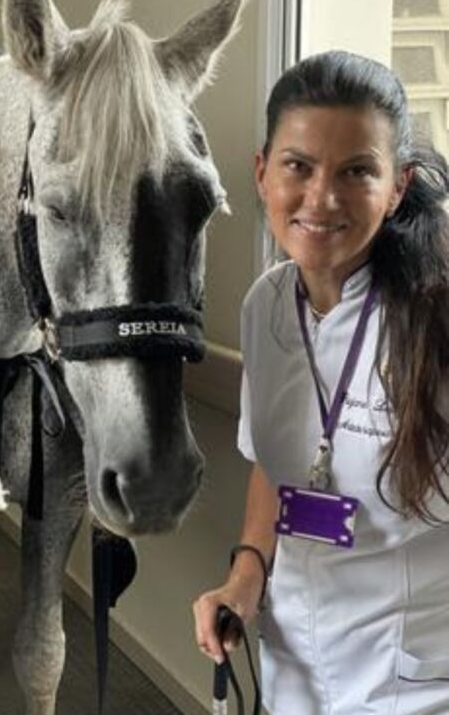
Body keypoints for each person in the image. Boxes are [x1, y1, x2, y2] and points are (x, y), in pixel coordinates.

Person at [192, 50, 449, 714]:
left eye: (357, 171)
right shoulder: (267, 305)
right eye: (298, 166)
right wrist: (246, 573)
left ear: (398, 186)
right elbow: (273, 465)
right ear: (261, 172)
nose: (322, 198)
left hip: (411, 684)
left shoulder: (437, 320)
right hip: (294, 671)